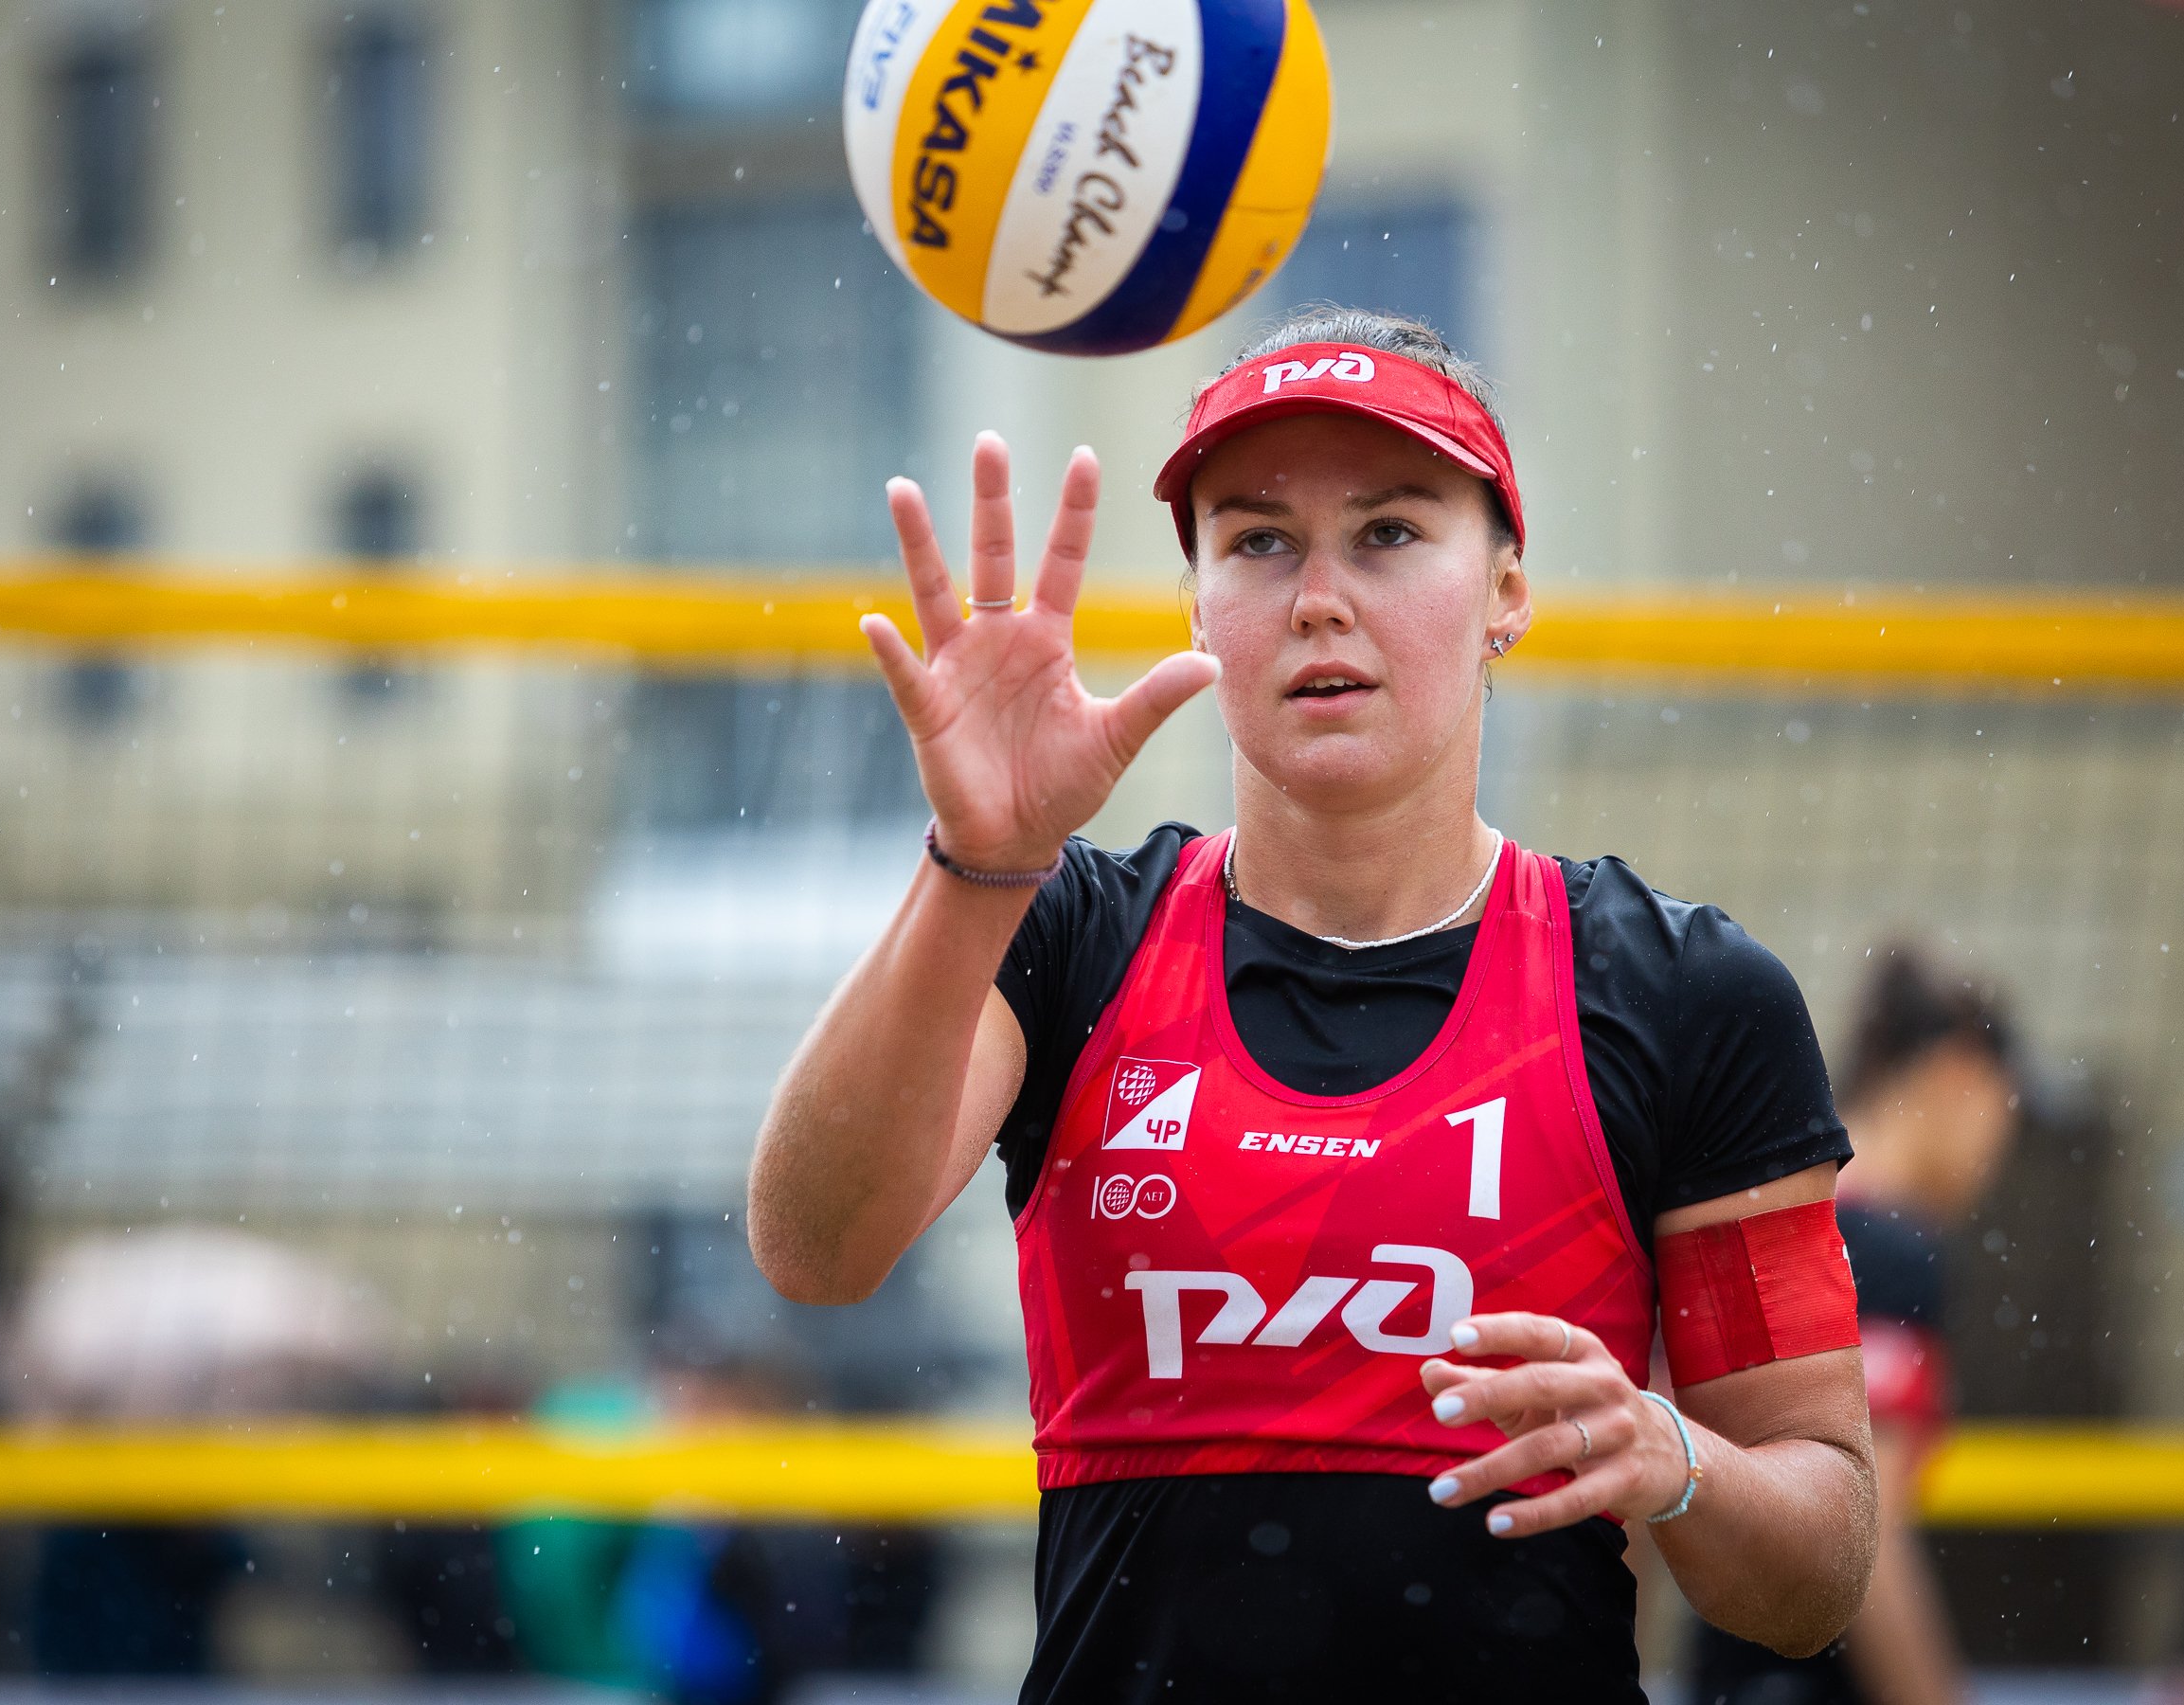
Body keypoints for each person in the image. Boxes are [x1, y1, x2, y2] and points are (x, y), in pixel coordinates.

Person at [749, 307, 1878, 1702]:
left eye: (1389, 532)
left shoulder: (1682, 992)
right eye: (1260, 541)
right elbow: (814, 1250)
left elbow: (1818, 1575)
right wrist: (977, 863)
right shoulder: (1069, 932)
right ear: (1198, 605)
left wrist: (1676, 1459)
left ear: (1507, 590)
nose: (1319, 598)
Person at [1692, 948, 2015, 1705]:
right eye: (2007, 1111)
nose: (1998, 1150)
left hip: (1734, 1666)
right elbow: (1870, 1547)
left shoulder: (1769, 1215)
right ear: (1959, 1076)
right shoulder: (1890, 1252)